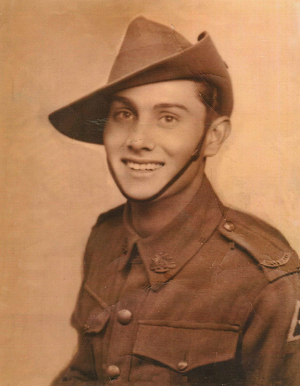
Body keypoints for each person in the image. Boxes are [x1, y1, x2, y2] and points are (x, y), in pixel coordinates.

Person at [49, 17, 300, 386]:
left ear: (213, 137)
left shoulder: (266, 278)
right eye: (124, 113)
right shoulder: (105, 238)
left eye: (168, 117)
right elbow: (86, 373)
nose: (137, 140)